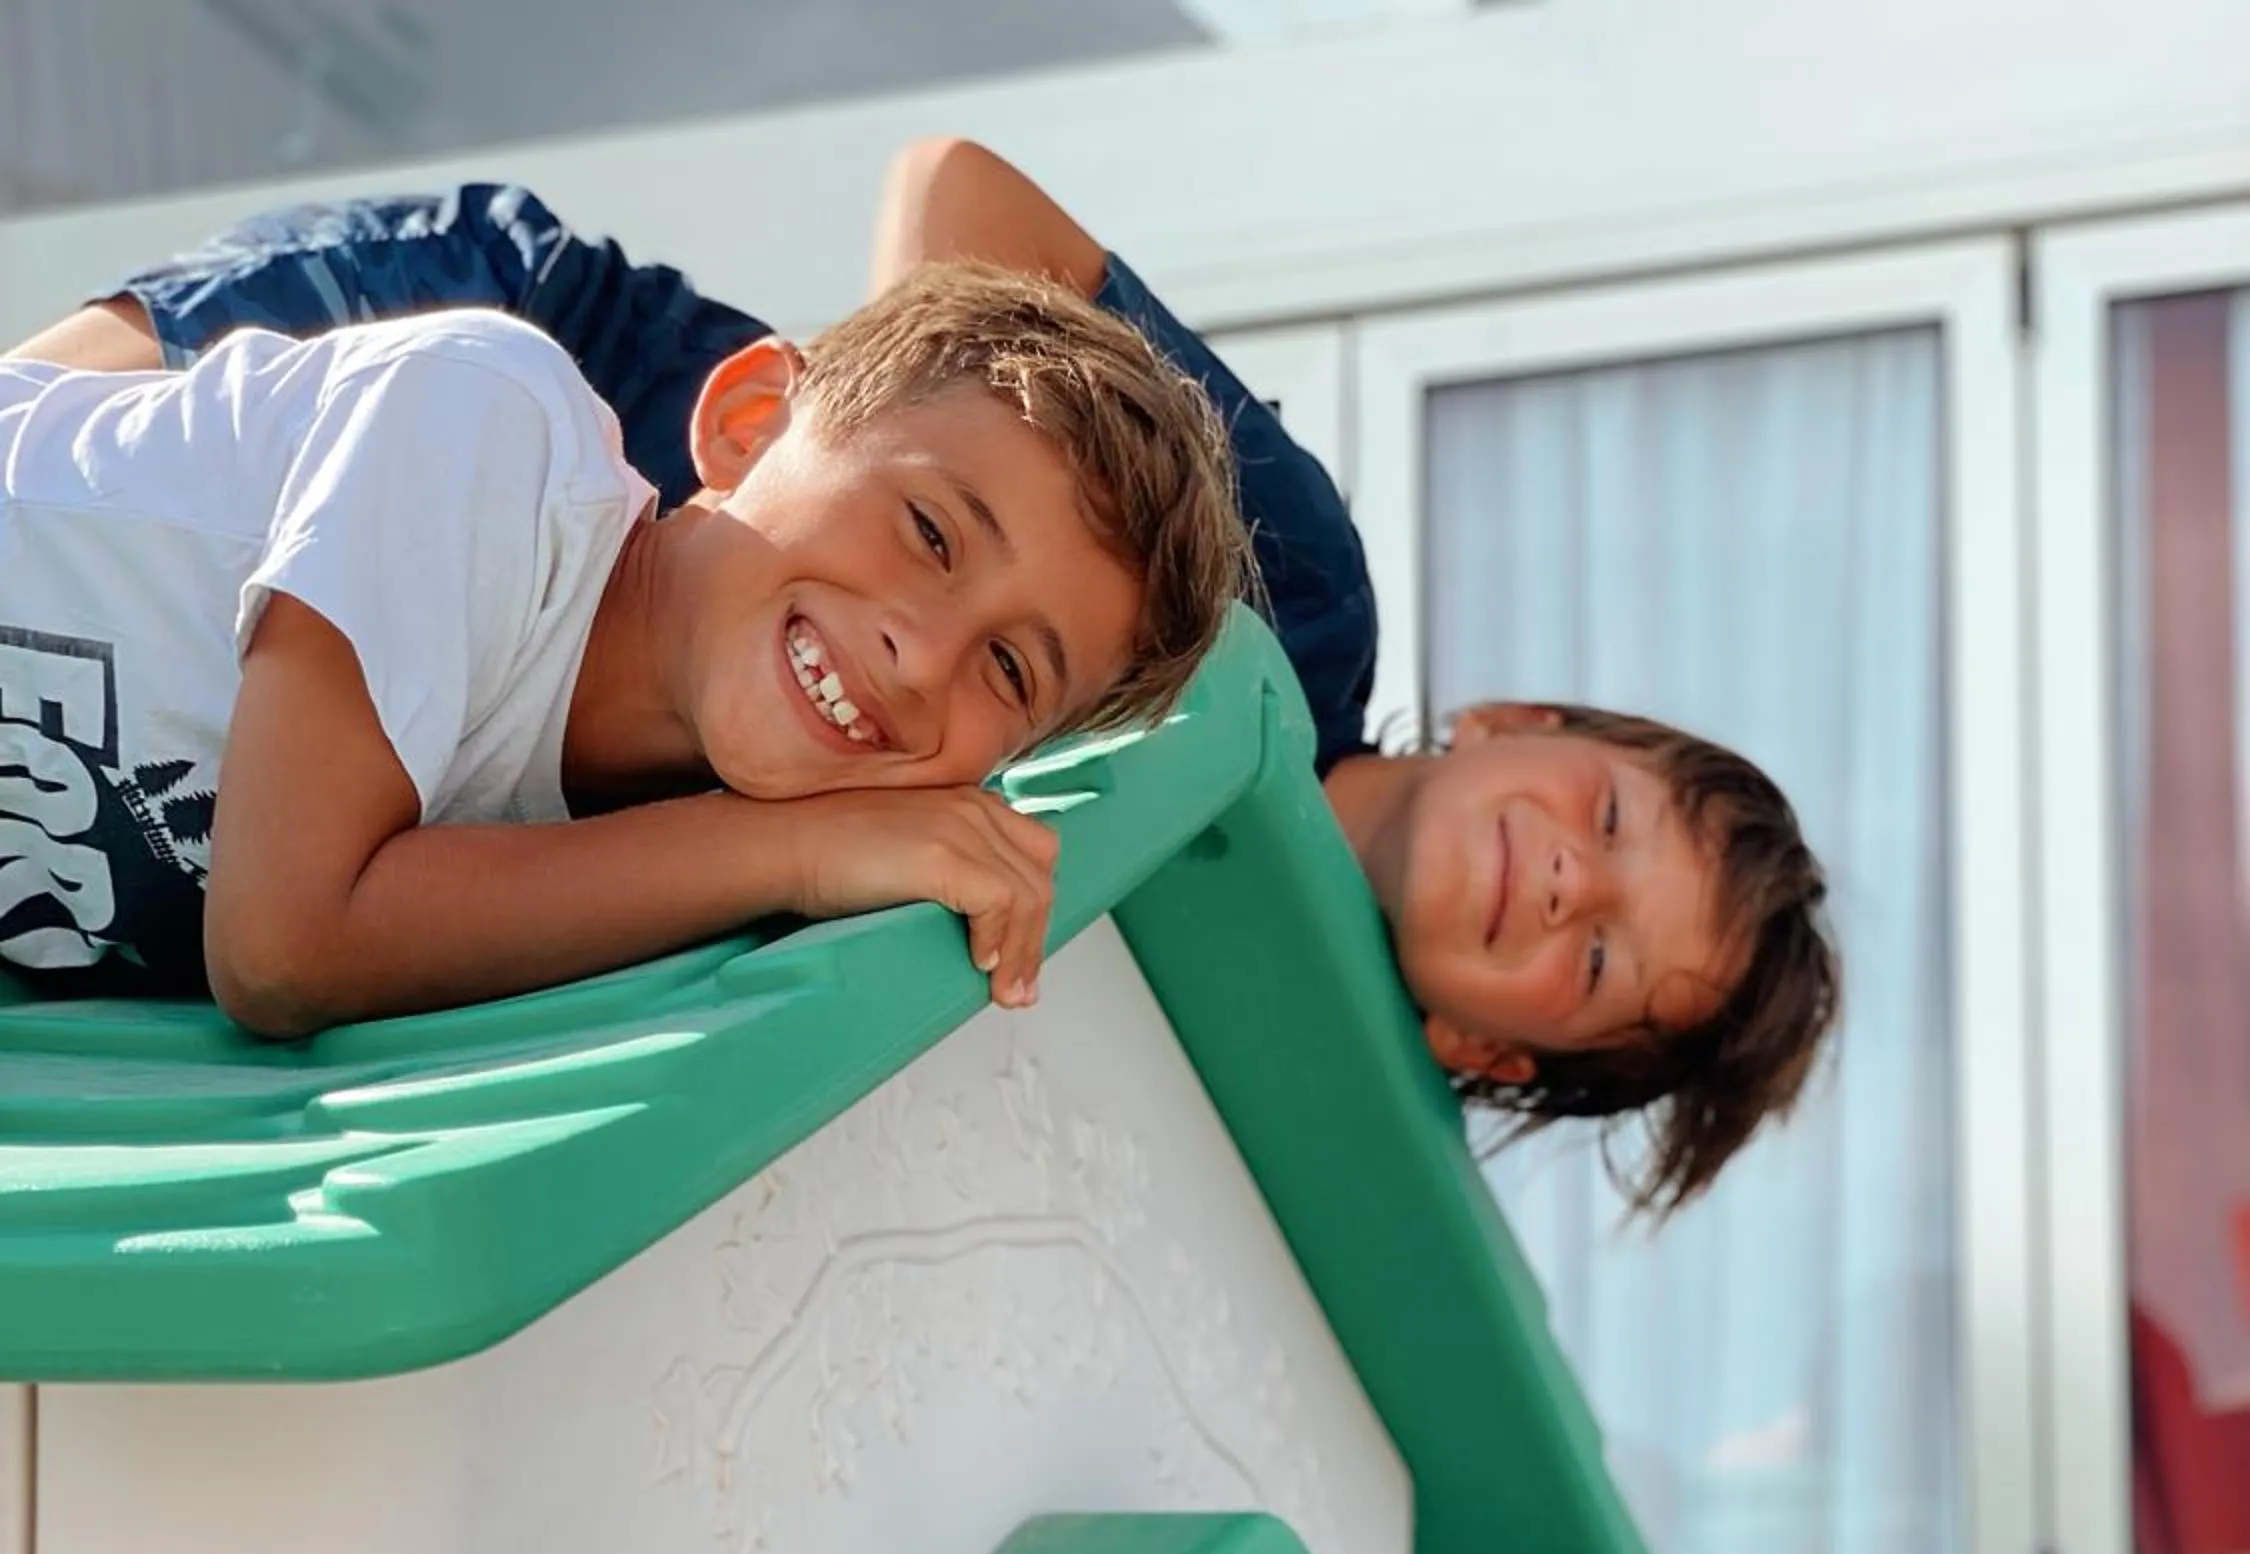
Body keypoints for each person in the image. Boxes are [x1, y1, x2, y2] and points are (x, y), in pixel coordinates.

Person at [12, 155, 1838, 1204]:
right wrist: (891, 456)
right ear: (1524, 721)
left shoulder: (1264, 1069)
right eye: (1606, 818)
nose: (1566, 878)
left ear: (1492, 1054)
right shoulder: (1306, 618)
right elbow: (291, 935)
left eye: (1600, 958)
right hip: (583, 447)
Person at [0, 260, 1248, 1033]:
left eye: (1012, 673)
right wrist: (794, 847)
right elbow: (283, 948)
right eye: (927, 530)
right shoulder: (489, 421)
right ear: (752, 424)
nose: (923, 658)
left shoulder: (589, 881)